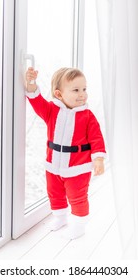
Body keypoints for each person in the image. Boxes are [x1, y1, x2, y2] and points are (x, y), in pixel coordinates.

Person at [25, 67, 106, 239]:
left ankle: (79, 225)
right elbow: (36, 100)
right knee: (55, 193)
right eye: (76, 90)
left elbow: (97, 138)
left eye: (84, 89)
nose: (82, 94)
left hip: (78, 167)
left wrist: (98, 159)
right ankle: (60, 217)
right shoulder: (51, 111)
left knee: (77, 196)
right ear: (59, 94)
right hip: (53, 164)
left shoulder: (87, 116)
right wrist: (31, 83)